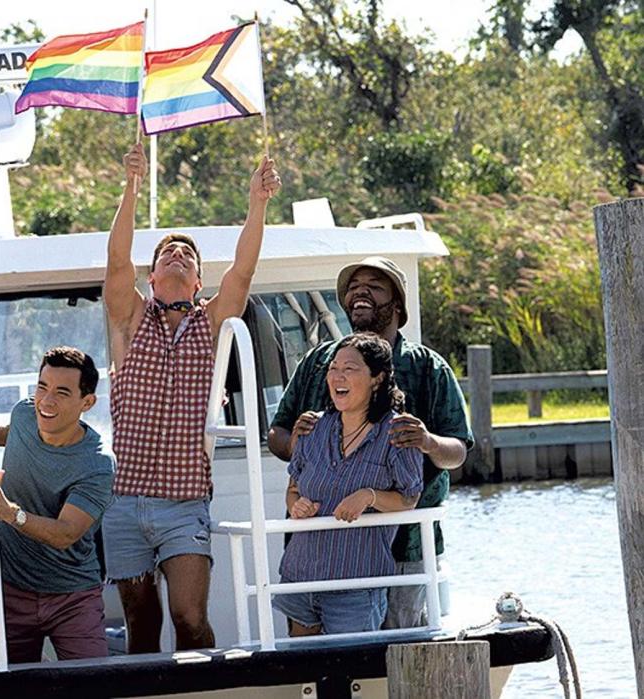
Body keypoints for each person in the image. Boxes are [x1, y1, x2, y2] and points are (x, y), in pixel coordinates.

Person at [102, 142, 280, 653]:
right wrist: (130, 187)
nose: (176, 256)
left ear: (198, 280)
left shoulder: (213, 322)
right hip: (126, 499)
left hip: (184, 503)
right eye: (165, 255)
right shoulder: (130, 320)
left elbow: (243, 271)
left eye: (187, 256)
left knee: (189, 616)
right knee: (140, 620)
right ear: (152, 277)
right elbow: (117, 262)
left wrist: (257, 202)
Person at [266, 256, 472, 629]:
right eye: (353, 286)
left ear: (397, 305)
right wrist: (303, 446)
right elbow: (277, 434)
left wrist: (426, 442)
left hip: (405, 545)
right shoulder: (318, 362)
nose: (360, 291)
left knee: (397, 653)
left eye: (374, 286)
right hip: (320, 543)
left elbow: (458, 450)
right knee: (311, 659)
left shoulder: (429, 367)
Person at [0, 347, 115, 663]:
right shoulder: (24, 414)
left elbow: (65, 533)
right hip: (10, 589)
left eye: (61, 392)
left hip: (73, 597)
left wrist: (9, 512)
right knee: (11, 690)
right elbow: (11, 433)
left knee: (96, 684)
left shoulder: (98, 463)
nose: (46, 401)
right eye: (42, 387)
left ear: (87, 403)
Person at [273, 333, 423, 635]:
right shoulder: (312, 426)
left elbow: (409, 499)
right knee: (303, 676)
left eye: (350, 369)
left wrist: (368, 496)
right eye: (333, 368)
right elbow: (293, 488)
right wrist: (296, 506)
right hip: (300, 576)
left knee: (350, 674)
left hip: (357, 584)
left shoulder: (397, 432)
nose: (337, 376)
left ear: (377, 378)